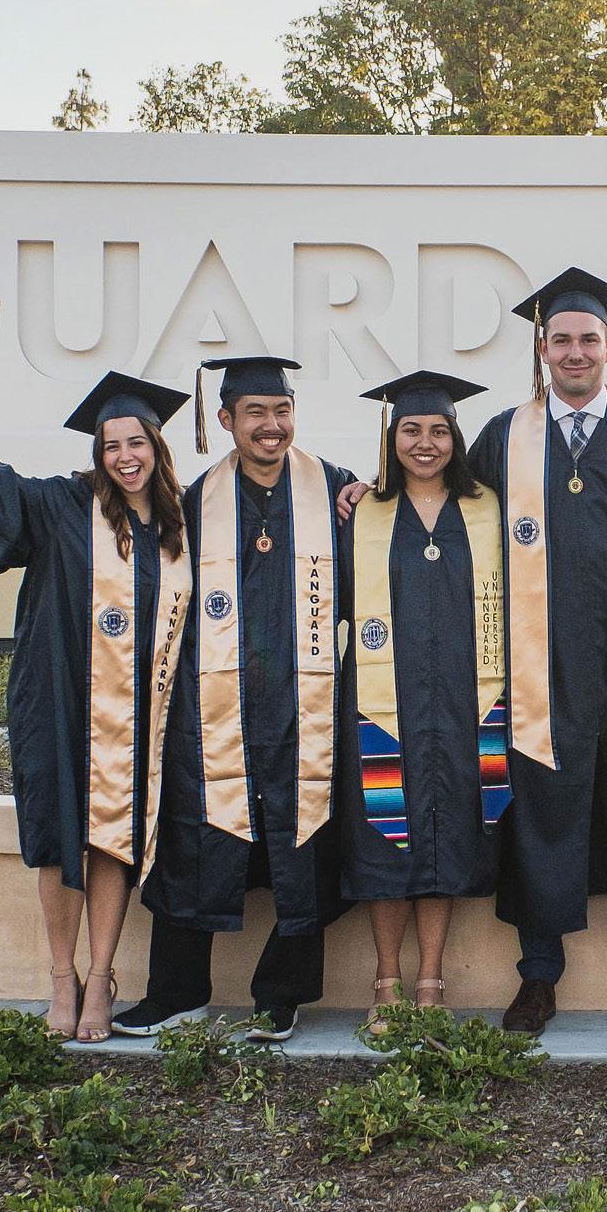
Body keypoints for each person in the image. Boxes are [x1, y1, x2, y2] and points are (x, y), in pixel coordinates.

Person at [0, 366, 192, 1043]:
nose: (125, 457)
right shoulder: (64, 504)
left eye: (136, 443)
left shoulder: (181, 524)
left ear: (156, 446)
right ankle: (61, 977)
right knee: (59, 838)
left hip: (138, 714)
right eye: (111, 445)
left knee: (113, 840)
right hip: (57, 697)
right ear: (98, 453)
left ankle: (100, 978)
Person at [467, 267, 607, 1035]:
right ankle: (537, 978)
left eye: (587, 340)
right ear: (541, 348)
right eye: (560, 339)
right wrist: (365, 495)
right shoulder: (503, 437)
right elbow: (449, 513)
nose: (574, 352)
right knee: (541, 819)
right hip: (538, 675)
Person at [112, 355, 354, 1043]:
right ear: (225, 420)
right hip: (213, 707)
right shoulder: (192, 503)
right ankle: (176, 992)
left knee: (306, 844)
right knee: (193, 839)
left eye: (281, 411)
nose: (271, 425)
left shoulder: (335, 490)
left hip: (306, 707)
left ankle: (282, 995)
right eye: (255, 413)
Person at [343, 370, 511, 1027]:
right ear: (391, 439)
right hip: (384, 705)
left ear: (455, 438)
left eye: (439, 430)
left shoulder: (489, 509)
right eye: (410, 430)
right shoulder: (359, 513)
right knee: (385, 840)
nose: (425, 443)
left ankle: (431, 982)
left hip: (467, 707)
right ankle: (386, 981)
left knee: (445, 837)